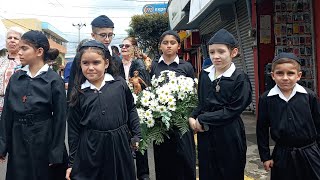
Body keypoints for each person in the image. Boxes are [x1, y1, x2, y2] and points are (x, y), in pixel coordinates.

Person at [66, 40, 141, 180]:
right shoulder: (79, 93)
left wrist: (137, 134)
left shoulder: (119, 84)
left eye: (96, 62)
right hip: (91, 149)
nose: (90, 68)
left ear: (106, 63)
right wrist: (72, 163)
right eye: (85, 63)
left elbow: (131, 108)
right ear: (79, 65)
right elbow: (73, 130)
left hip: (119, 146)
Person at [0, 30, 67, 180]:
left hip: (43, 138)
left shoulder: (53, 80)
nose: (19, 52)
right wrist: (2, 145)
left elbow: (60, 119)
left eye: (24, 48)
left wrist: (55, 152)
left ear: (39, 51)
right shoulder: (16, 78)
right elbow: (7, 114)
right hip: (18, 140)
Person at [189, 29, 252, 180]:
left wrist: (203, 119)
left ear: (233, 52)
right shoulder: (205, 74)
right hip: (207, 134)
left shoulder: (240, 78)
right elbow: (202, 103)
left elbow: (233, 110)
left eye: (221, 52)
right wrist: (192, 116)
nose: (216, 56)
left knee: (230, 172)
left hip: (229, 133)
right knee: (208, 171)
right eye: (212, 52)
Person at [256, 52, 320, 180]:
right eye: (280, 73)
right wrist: (265, 157)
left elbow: (318, 125)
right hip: (282, 155)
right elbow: (261, 129)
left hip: (310, 152)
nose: (285, 78)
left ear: (298, 76)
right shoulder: (266, 99)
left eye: (290, 73)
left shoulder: (309, 96)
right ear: (273, 75)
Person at [150, 30, 196, 180]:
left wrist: (191, 116)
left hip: (182, 123)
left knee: (185, 161)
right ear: (160, 46)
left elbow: (193, 95)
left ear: (178, 46)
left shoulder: (186, 67)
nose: (169, 46)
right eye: (165, 43)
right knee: (163, 163)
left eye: (172, 42)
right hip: (161, 125)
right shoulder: (154, 67)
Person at [119, 36, 151, 180]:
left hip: (138, 105)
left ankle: (143, 174)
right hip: (121, 107)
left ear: (134, 48)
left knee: (139, 138)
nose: (123, 48)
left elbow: (146, 85)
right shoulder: (116, 64)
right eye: (122, 46)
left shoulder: (139, 64)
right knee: (123, 141)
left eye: (127, 46)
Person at [67, 15, 120, 100]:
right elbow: (73, 86)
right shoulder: (80, 57)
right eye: (103, 35)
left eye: (110, 35)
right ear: (93, 35)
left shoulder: (116, 59)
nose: (107, 39)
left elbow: (122, 87)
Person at [0, 27, 25, 117]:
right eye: (9, 38)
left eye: (16, 38)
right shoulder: (1, 60)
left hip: (16, 105)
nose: (12, 40)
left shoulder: (25, 62)